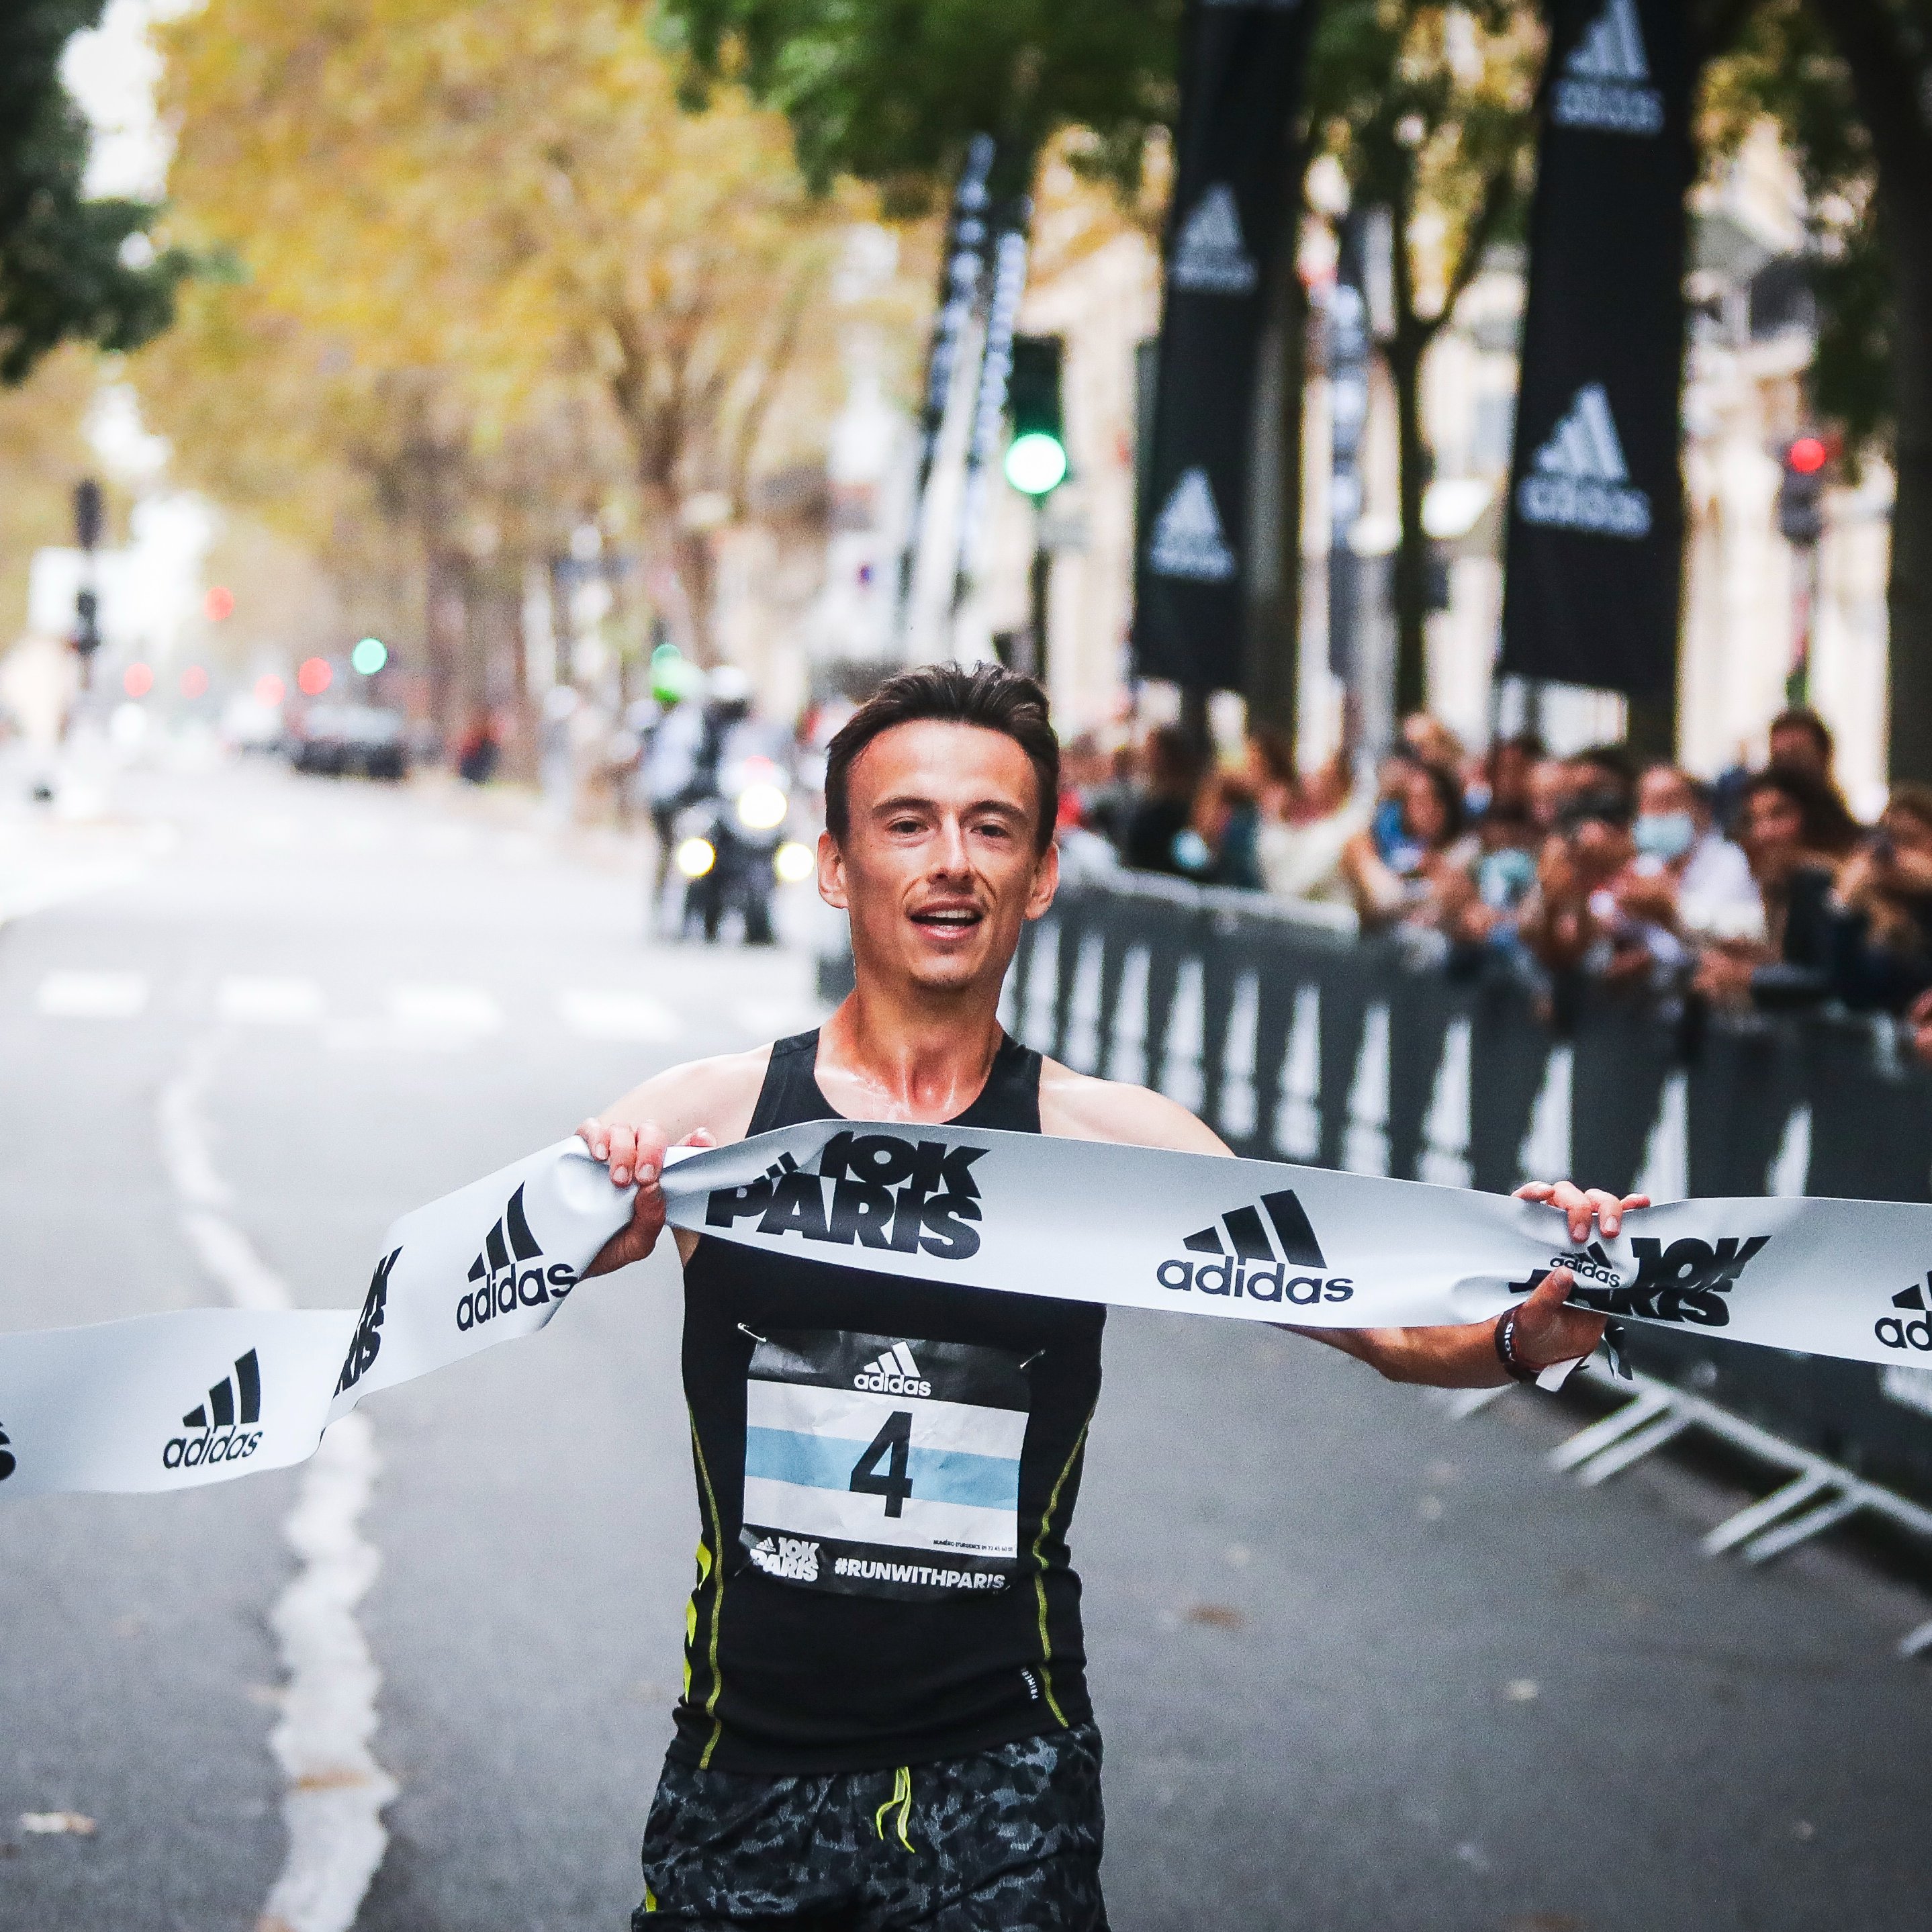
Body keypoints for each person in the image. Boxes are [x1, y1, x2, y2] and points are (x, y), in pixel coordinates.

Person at [569, 665, 1637, 1930]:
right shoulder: (710, 1121)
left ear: (1041, 875)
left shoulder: (1115, 1145)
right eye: (907, 823)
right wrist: (592, 1224)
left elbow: (1393, 1328)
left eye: (992, 827)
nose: (951, 861)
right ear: (835, 866)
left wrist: (1529, 1327)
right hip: (743, 1768)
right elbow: (483, 1271)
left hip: (1002, 1781)